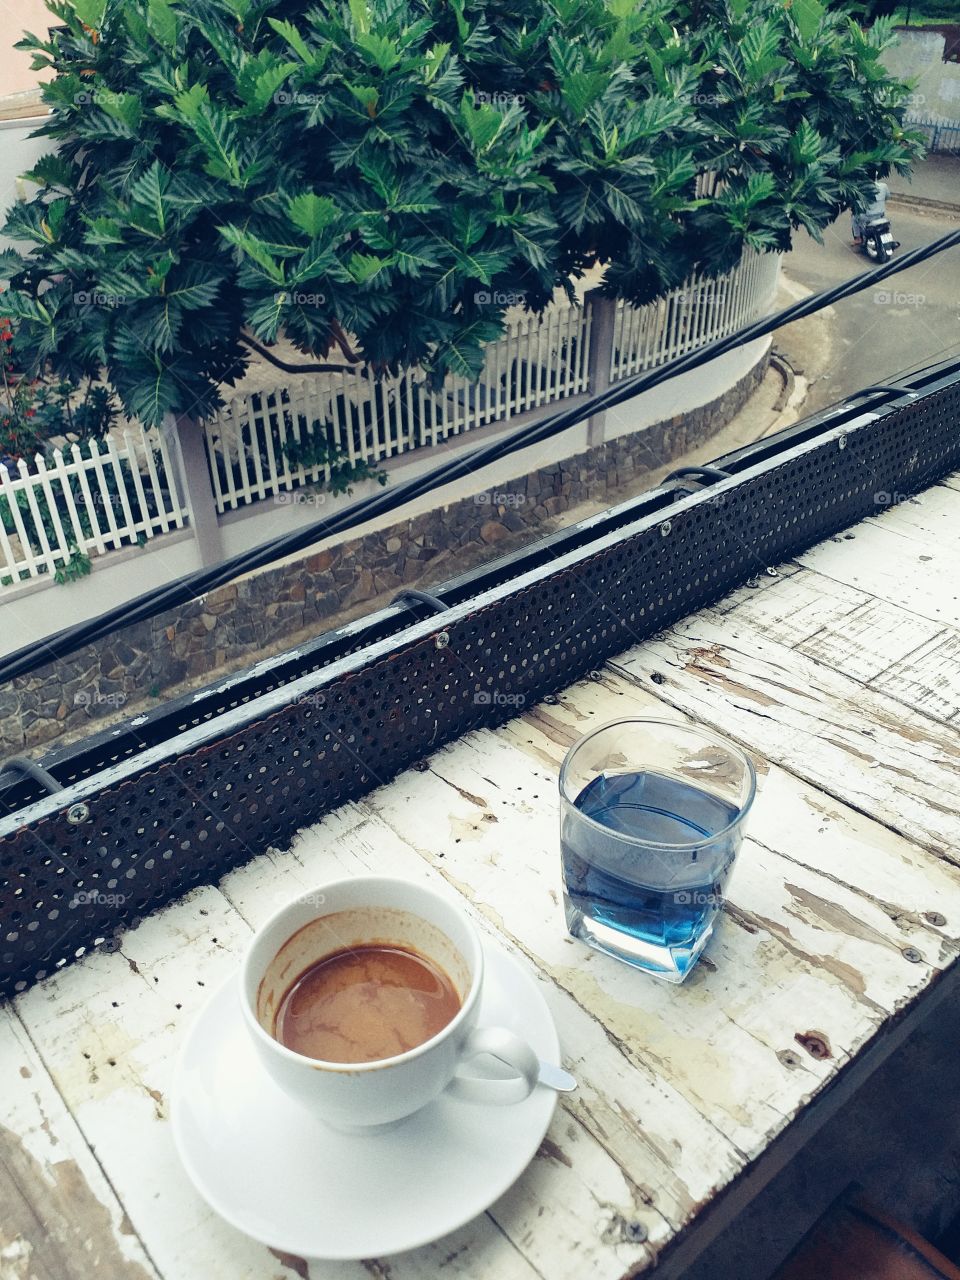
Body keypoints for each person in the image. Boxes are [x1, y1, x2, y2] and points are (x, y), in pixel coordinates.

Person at [852, 179, 890, 244]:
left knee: (854, 218)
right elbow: (887, 197)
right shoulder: (884, 186)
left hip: (867, 218)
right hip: (881, 216)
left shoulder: (860, 189)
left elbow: (857, 203)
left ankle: (858, 239)